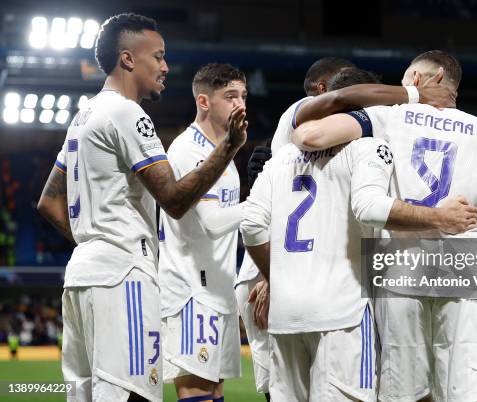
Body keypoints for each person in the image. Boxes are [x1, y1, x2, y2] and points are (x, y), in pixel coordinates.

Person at [291, 50, 477, 402]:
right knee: (473, 392)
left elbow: (309, 136)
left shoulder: (387, 115)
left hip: (399, 268)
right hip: (465, 269)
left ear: (417, 80)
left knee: (407, 393)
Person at [36, 13, 247, 402]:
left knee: (88, 395)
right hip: (124, 275)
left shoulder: (84, 116)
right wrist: (230, 145)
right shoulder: (127, 113)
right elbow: (176, 200)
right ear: (128, 59)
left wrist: (93, 241)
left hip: (83, 273)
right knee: (133, 395)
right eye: (159, 56)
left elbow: (49, 201)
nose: (165, 67)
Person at [241, 66, 477, 402]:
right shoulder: (369, 149)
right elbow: (370, 209)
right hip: (343, 313)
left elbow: (250, 224)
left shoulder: (282, 158)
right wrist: (439, 217)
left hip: (286, 311)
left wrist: (273, 277)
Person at [235, 56, 355, 400]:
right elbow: (268, 216)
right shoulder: (306, 112)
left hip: (280, 269)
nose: (353, 96)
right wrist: (272, 277)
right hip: (276, 270)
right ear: (322, 90)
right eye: (344, 85)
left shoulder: (300, 146)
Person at [158, 64, 247, 402]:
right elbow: (212, 223)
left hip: (219, 288)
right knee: (196, 391)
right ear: (204, 101)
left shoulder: (226, 148)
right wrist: (265, 205)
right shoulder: (188, 150)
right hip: (190, 290)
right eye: (229, 97)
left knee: (215, 390)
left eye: (242, 96)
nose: (239, 104)